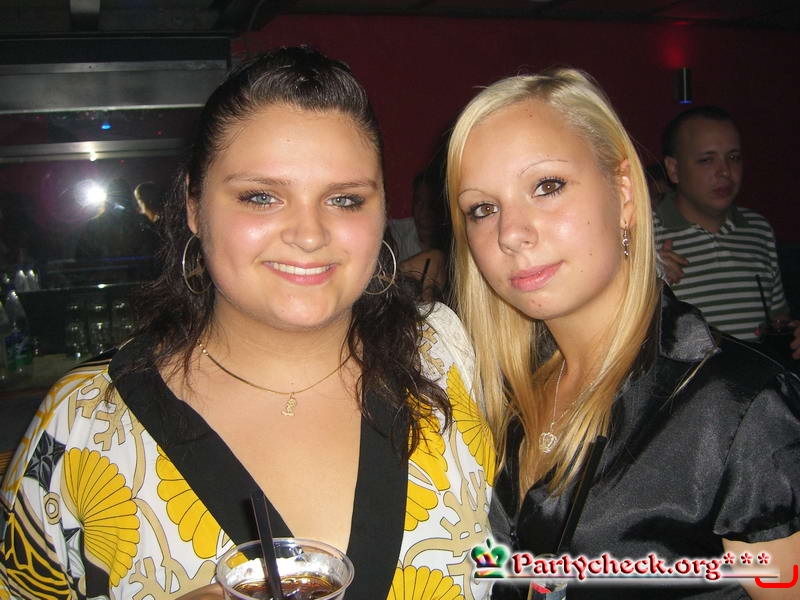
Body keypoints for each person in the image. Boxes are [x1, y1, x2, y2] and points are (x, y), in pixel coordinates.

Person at [0, 47, 494, 600]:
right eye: (261, 197)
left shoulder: (448, 353)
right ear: (194, 207)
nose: (309, 234)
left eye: (345, 199)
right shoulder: (84, 420)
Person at [446, 68, 800, 599]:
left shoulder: (738, 408)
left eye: (547, 186)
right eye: (483, 208)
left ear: (625, 194)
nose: (511, 233)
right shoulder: (493, 394)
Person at [654, 106, 800, 358]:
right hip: (690, 382)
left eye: (733, 157)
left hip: (760, 378)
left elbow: (778, 317)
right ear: (674, 169)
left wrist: (792, 332)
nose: (725, 172)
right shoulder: (644, 234)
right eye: (707, 160)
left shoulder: (759, 229)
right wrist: (649, 280)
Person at [399, 160, 453, 303]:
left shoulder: (462, 243)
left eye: (432, 205)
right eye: (419, 202)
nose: (423, 213)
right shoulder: (393, 234)